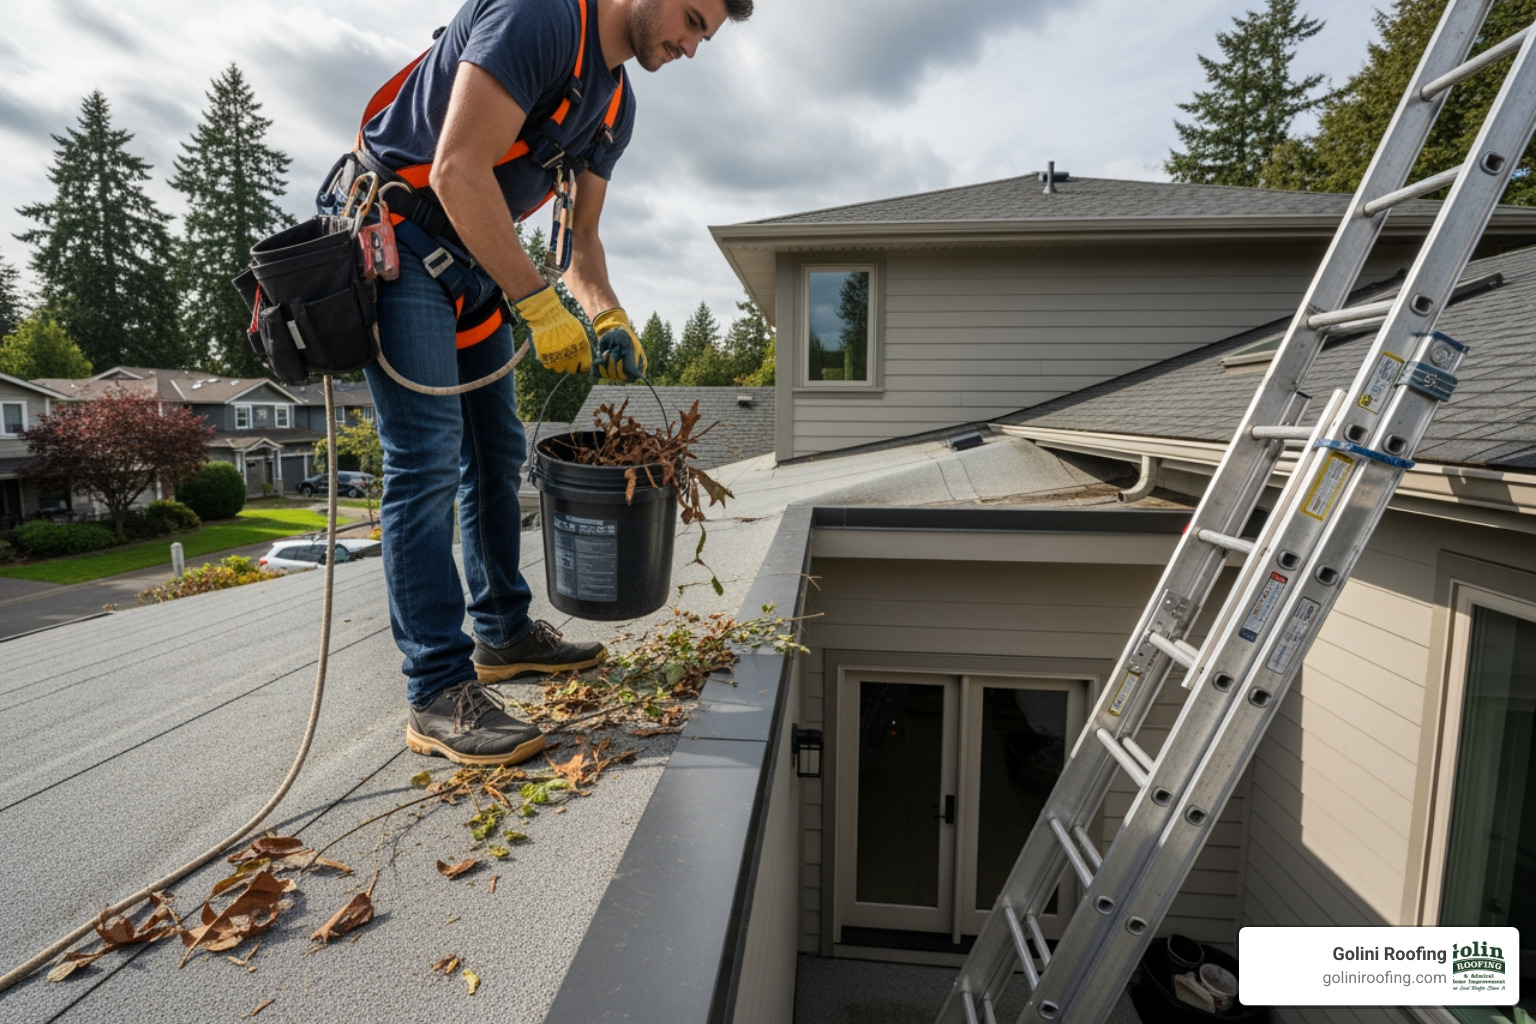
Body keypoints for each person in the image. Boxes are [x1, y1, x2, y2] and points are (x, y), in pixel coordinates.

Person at [343, 0, 754, 767]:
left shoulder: (616, 104)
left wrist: (606, 316)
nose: (694, 47)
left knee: (497, 453)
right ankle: (437, 691)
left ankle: (502, 633)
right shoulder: (539, 18)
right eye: (694, 20)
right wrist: (536, 304)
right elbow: (455, 169)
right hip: (399, 235)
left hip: (473, 263)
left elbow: (582, 242)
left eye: (707, 36)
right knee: (428, 459)